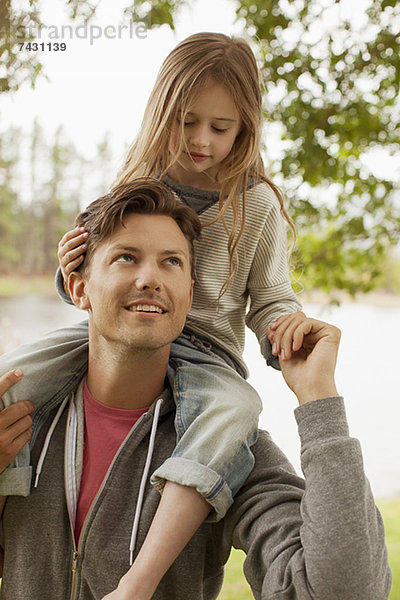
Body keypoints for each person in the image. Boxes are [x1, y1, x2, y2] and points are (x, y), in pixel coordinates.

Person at [0, 31, 312, 594]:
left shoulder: (256, 203)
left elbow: (269, 293)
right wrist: (66, 267)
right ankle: (15, 486)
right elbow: (89, 279)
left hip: (207, 355)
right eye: (187, 122)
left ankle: (139, 578)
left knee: (237, 407)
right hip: (113, 336)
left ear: (245, 127)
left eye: (222, 128)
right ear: (161, 111)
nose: (201, 140)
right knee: (11, 377)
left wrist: (282, 329)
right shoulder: (134, 184)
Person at [0, 181, 391, 599]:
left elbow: (350, 592)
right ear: (79, 289)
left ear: (188, 296)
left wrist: (320, 402)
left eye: (171, 262)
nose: (150, 278)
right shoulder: (21, 422)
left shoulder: (228, 447)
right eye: (126, 257)